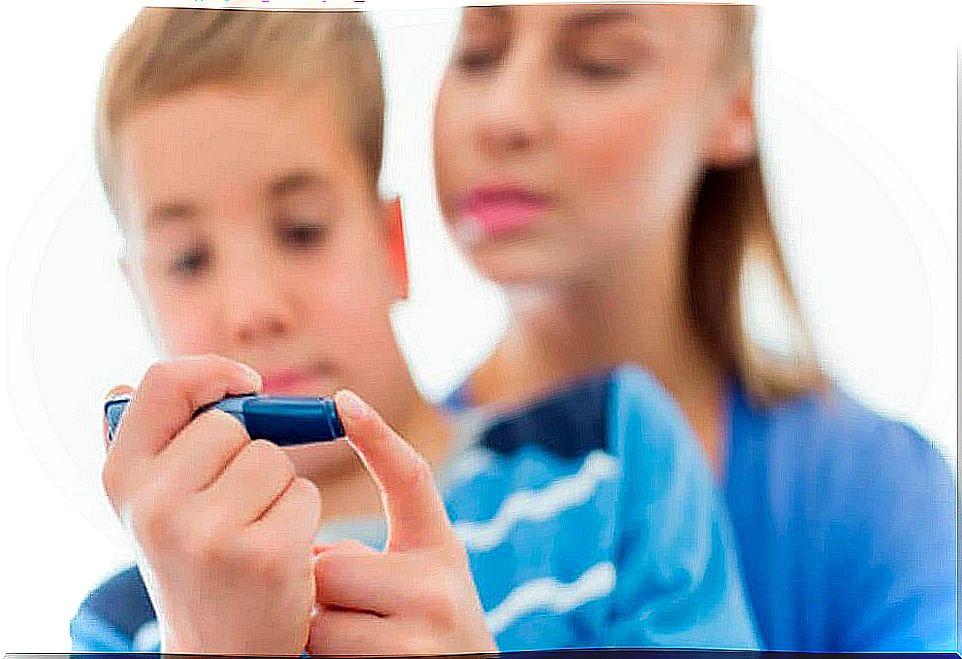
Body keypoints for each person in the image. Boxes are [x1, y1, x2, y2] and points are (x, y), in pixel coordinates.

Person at [70, 8, 760, 655]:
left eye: (302, 230)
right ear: (139, 297)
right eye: (189, 260)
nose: (253, 308)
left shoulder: (609, 455)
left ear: (391, 246)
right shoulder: (123, 624)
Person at [431, 3, 957, 652]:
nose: (502, 115)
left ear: (734, 107)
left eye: (599, 64)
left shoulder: (866, 485)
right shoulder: (374, 487)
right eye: (477, 52)